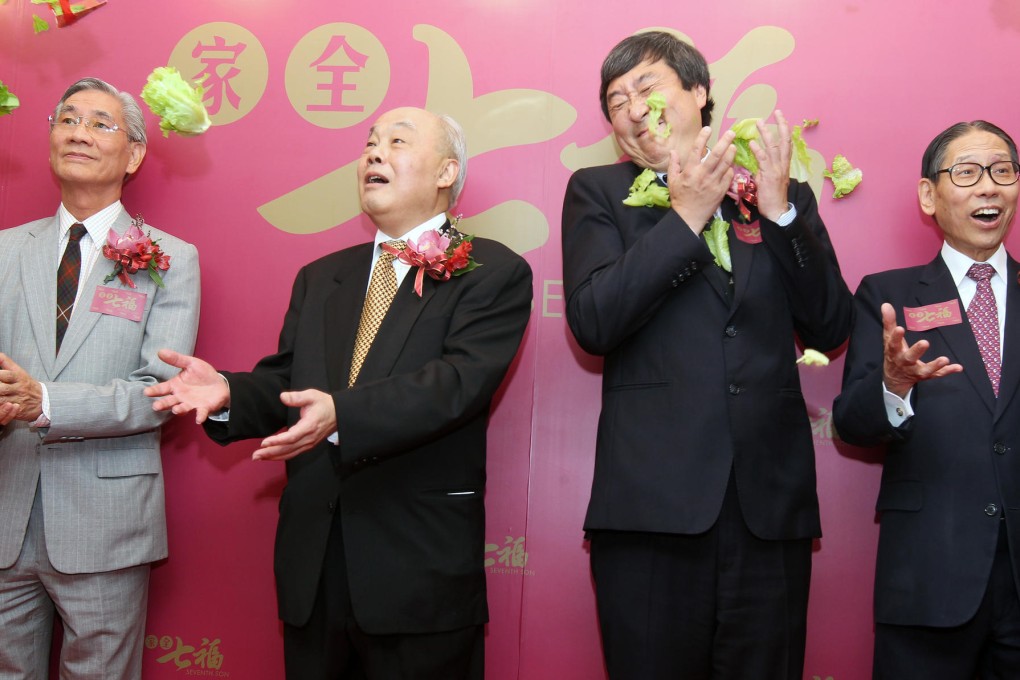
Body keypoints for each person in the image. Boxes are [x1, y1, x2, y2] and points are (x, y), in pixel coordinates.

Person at [145, 107, 533, 679]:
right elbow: (286, 383)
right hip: (315, 561)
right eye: (370, 143)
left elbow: (457, 384)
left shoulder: (492, 270)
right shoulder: (322, 276)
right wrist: (227, 391)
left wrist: (340, 413)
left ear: (447, 172)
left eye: (397, 142)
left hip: (417, 566)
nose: (374, 153)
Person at [561, 31, 853, 679]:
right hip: (649, 515)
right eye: (615, 101)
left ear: (699, 92)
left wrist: (780, 216)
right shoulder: (599, 192)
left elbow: (831, 324)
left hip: (767, 511)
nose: (632, 108)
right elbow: (593, 321)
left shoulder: (778, 193)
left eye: (646, 87)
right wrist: (684, 218)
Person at [0, 77, 200, 678]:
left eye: (100, 123)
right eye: (67, 119)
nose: (79, 133)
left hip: (105, 521)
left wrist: (45, 401)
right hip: (6, 512)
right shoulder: (5, 250)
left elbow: (159, 391)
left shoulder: (170, 258)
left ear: (134, 153)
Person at [833, 120, 1020, 678]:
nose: (988, 187)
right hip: (928, 580)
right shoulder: (888, 295)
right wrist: (893, 384)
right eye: (966, 172)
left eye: (1002, 171)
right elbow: (850, 422)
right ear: (928, 195)